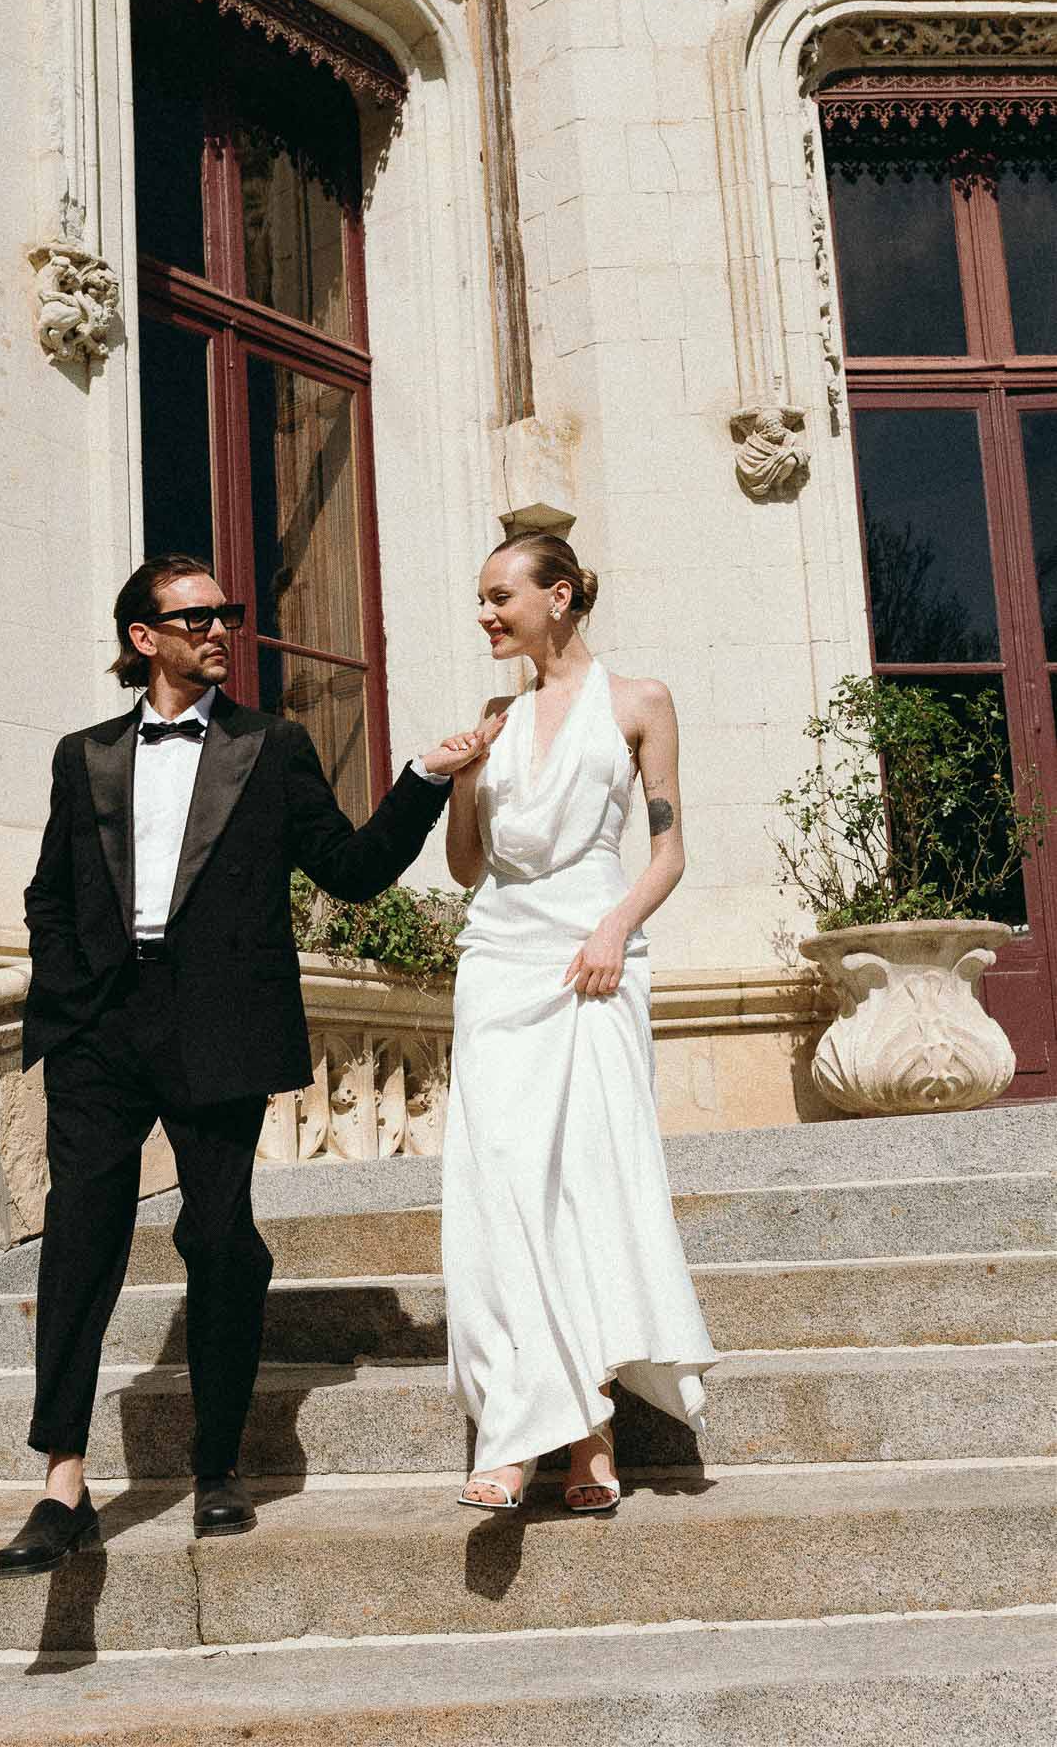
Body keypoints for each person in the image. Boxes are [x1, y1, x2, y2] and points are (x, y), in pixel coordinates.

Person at [0, 554, 468, 1576]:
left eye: (228, 614)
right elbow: (49, 891)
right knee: (78, 1238)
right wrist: (70, 996)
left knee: (217, 1236)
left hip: (218, 1022)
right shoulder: (84, 755)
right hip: (100, 1028)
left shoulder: (270, 746)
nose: (220, 629)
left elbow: (350, 871)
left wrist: (426, 778)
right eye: (196, 616)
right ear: (143, 638)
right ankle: (62, 1485)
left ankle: (217, 1464)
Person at [436, 532, 714, 1513]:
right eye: (480, 597)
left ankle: (589, 1432)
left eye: (498, 594)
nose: (484, 612)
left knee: (586, 1185)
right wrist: (462, 779)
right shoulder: (495, 718)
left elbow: (668, 851)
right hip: (499, 964)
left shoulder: (640, 702)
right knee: (502, 1190)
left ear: (558, 596)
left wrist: (613, 928)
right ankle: (517, 1428)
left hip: (596, 961)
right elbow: (466, 867)